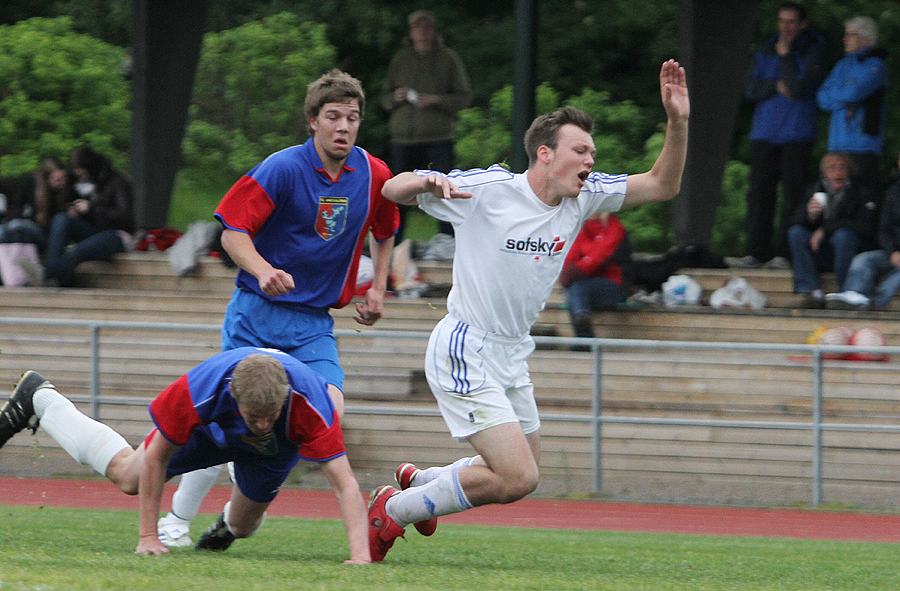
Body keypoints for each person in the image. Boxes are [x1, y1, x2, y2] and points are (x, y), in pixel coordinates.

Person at [367, 59, 689, 562]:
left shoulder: (582, 198)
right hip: (466, 346)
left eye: (592, 152)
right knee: (519, 475)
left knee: (520, 477)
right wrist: (429, 182)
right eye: (580, 150)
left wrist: (678, 122)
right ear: (545, 154)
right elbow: (391, 188)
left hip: (512, 354)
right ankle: (395, 511)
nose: (589, 161)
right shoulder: (491, 190)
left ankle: (423, 482)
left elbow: (662, 185)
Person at [155, 69, 399, 547]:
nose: (343, 126)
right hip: (256, 312)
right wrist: (263, 268)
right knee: (229, 416)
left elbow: (386, 228)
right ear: (313, 121)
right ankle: (176, 519)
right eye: (333, 117)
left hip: (312, 323)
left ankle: (232, 516)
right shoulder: (282, 168)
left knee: (329, 409)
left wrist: (377, 289)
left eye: (352, 118)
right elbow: (231, 232)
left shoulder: (373, 174)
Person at [0, 348, 371, 563]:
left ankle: (231, 503)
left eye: (269, 416)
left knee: (243, 528)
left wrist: (360, 557)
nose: (260, 424)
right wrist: (148, 536)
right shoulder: (202, 387)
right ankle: (42, 399)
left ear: (285, 398)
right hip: (211, 433)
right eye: (253, 416)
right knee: (130, 476)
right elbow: (158, 458)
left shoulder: (311, 405)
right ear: (233, 396)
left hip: (273, 453)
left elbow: (344, 483)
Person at [727, 1, 825, 270]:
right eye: (782, 21)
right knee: (759, 194)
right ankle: (755, 252)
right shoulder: (766, 48)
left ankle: (785, 254)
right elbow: (749, 87)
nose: (786, 27)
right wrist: (774, 84)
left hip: (797, 134)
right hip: (765, 133)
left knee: (793, 196)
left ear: (803, 24)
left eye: (791, 22)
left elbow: (796, 88)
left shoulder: (812, 50)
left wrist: (785, 58)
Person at [380, 9, 470, 293]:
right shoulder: (401, 60)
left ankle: (449, 250)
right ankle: (391, 248)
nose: (421, 29)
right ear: (410, 31)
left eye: (426, 25)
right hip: (404, 139)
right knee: (398, 196)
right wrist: (394, 98)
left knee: (444, 192)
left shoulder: (448, 59)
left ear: (433, 29)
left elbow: (463, 97)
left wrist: (435, 100)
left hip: (438, 136)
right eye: (417, 25)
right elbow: (383, 98)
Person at [23, 146, 135, 287]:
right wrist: (80, 213)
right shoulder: (92, 183)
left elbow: (124, 216)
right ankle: (55, 275)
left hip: (117, 235)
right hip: (96, 230)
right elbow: (94, 216)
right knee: (62, 219)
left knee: (80, 250)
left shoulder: (117, 181)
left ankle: (47, 273)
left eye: (82, 173)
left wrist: (92, 208)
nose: (80, 176)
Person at [787, 151, 878, 308]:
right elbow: (795, 220)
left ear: (849, 171)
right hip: (823, 252)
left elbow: (867, 228)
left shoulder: (862, 190)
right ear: (824, 173)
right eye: (832, 168)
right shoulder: (815, 188)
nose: (837, 172)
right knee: (796, 233)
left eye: (842, 167)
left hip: (852, 253)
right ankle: (810, 290)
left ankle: (845, 292)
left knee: (842, 235)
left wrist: (825, 229)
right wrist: (808, 215)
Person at [816, 16, 888, 195]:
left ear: (866, 39)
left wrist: (840, 94)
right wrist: (845, 97)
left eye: (851, 34)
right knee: (834, 201)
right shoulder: (842, 65)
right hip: (837, 145)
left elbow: (853, 93)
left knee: (862, 199)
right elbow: (821, 98)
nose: (844, 39)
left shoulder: (876, 65)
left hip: (862, 146)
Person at [826, 151, 900, 310]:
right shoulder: (894, 192)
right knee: (863, 260)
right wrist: (893, 252)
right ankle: (854, 294)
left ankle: (875, 304)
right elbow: (884, 229)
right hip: (894, 254)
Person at [559, 212, 632, 340]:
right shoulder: (583, 230)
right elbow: (570, 259)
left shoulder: (614, 228)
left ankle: (583, 336)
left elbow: (598, 257)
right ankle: (582, 323)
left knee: (576, 288)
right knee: (576, 288)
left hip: (614, 284)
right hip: (584, 287)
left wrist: (576, 268)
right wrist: (571, 270)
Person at [1, 157, 72, 248]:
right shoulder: (32, 182)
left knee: (16, 225)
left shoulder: (64, 192)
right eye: (58, 180)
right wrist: (21, 217)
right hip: (31, 226)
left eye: (64, 178)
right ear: (47, 179)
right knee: (4, 229)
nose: (62, 183)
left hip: (47, 235)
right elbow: (18, 203)